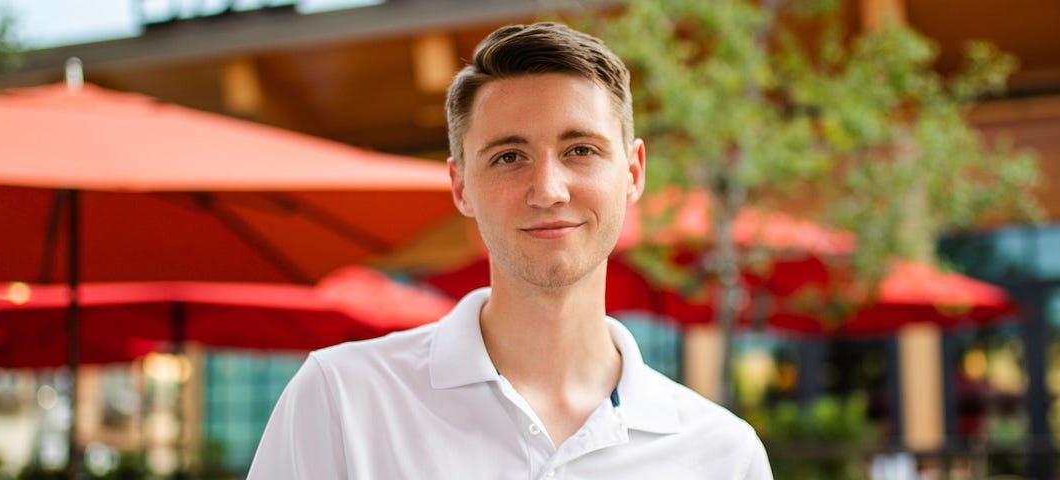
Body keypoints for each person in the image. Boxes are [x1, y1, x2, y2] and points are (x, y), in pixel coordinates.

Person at [247, 22, 772, 479]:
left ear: (633, 173)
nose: (548, 190)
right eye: (509, 156)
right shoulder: (342, 400)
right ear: (460, 186)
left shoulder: (725, 456)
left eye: (581, 150)